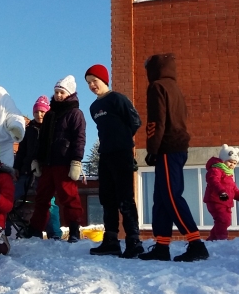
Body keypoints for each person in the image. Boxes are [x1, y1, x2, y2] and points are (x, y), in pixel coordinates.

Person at [141, 53, 207, 262]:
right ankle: (162, 246)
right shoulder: (174, 87)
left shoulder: (157, 87)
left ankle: (196, 244)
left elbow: (156, 121)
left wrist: (152, 149)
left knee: (171, 196)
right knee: (161, 198)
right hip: (177, 148)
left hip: (168, 148)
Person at [83, 64, 144, 258]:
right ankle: (111, 241)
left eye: (95, 81)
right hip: (105, 155)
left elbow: (135, 121)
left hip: (122, 154)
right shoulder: (94, 108)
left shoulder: (117, 99)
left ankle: (133, 241)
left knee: (125, 197)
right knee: (107, 197)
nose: (92, 85)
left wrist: (123, 141)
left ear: (104, 80)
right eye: (88, 83)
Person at [24, 76, 87, 243]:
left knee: (69, 197)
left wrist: (76, 160)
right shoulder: (50, 114)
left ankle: (74, 229)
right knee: (42, 197)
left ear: (70, 93)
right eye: (56, 92)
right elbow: (42, 139)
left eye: (61, 92)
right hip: (47, 163)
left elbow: (79, 138)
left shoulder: (75, 114)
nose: (58, 95)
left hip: (64, 163)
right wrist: (37, 159)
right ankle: (35, 229)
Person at [203, 145, 239, 242]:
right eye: (230, 162)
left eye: (234, 163)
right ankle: (221, 239)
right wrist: (221, 192)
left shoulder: (229, 175)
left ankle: (212, 239)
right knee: (223, 220)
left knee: (225, 221)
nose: (232, 165)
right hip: (216, 200)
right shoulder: (216, 169)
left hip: (226, 203)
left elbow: (233, 189)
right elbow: (213, 181)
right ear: (223, 160)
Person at [14, 96, 49, 200]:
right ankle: (13, 210)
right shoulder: (29, 130)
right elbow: (21, 151)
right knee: (16, 195)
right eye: (36, 112)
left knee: (46, 198)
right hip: (27, 170)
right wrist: (17, 167)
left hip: (44, 171)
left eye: (42, 112)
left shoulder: (51, 129)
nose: (39, 115)